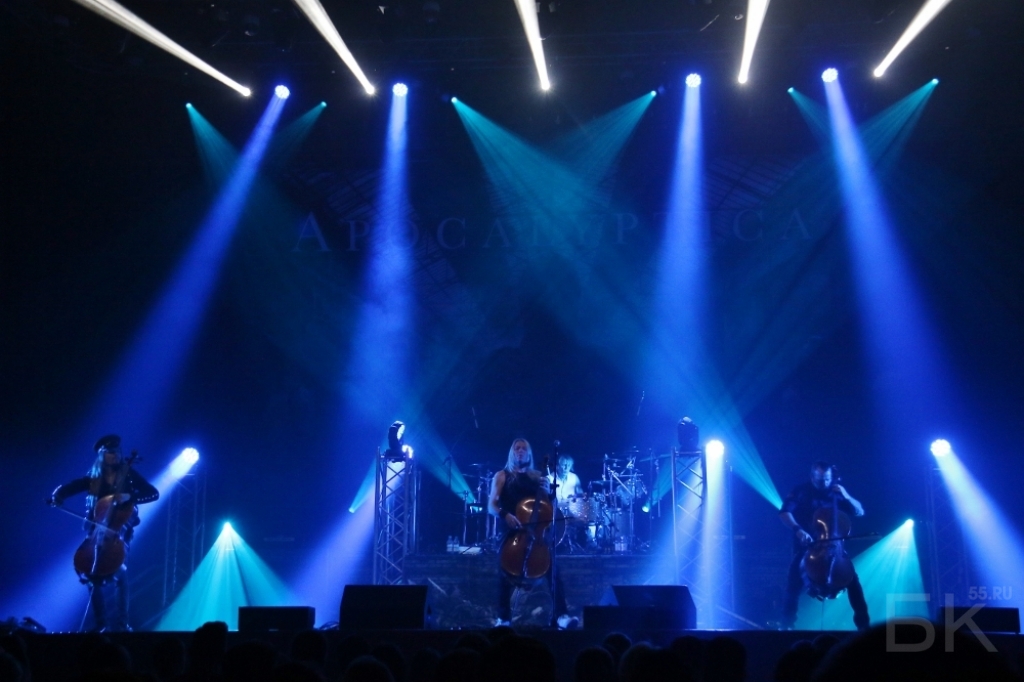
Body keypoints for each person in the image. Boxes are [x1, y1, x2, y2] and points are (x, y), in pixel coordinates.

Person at [47, 434, 159, 632]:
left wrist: (128, 495)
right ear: (102, 455)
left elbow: (153, 493)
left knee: (120, 574)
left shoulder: (128, 473)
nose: (115, 456)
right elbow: (73, 486)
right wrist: (58, 495)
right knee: (91, 576)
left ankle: (122, 623)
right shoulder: (93, 477)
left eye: (116, 452)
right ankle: (101, 624)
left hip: (119, 531)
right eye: (110, 453)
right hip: (97, 529)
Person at [778, 460, 869, 631]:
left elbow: (859, 512)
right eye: (821, 480)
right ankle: (786, 625)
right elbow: (784, 512)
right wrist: (798, 530)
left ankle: (864, 625)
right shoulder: (801, 491)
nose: (825, 483)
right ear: (812, 476)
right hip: (808, 545)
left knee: (853, 582)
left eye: (827, 479)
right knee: (793, 583)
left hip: (835, 548)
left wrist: (846, 495)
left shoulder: (837, 492)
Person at [489, 438, 569, 626]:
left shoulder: (537, 478)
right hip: (512, 532)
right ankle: (503, 618)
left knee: (553, 569)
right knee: (504, 570)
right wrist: (505, 514)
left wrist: (549, 493)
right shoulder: (502, 475)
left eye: (524, 448)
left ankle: (562, 615)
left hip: (535, 533)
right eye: (517, 448)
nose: (520, 451)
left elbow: (549, 508)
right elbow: (491, 505)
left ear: (529, 453)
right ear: (512, 452)